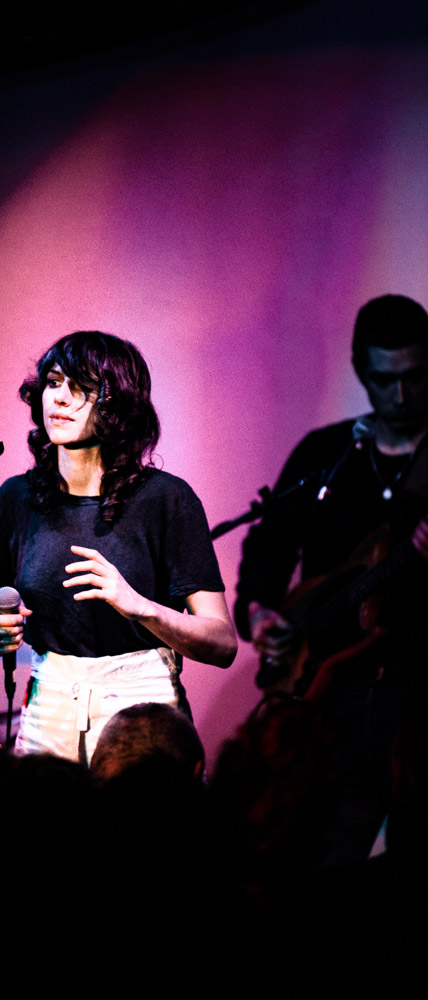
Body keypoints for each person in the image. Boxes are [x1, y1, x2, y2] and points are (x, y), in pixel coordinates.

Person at [0, 330, 237, 765]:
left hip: (142, 704)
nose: (60, 400)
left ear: (117, 405)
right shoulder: (15, 498)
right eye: (54, 383)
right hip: (49, 703)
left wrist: (138, 606)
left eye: (82, 389)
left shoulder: (165, 498)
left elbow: (222, 642)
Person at [234, 293, 428, 865]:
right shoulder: (327, 454)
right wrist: (260, 612)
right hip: (326, 693)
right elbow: (268, 545)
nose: (400, 395)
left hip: (417, 692)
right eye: (384, 379)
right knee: (315, 856)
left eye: (415, 377)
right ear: (361, 372)